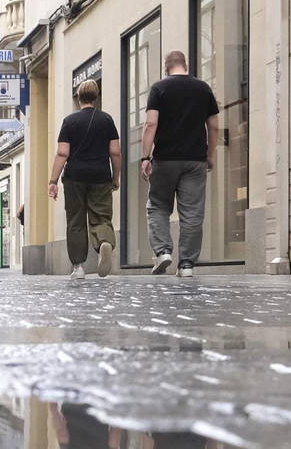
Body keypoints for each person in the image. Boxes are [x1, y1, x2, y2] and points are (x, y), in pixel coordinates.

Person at [139, 50, 220, 277]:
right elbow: (213, 126)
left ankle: (163, 251)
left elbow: (150, 124)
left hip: (165, 159)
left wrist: (146, 157)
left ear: (167, 68)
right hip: (195, 160)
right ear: (186, 65)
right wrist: (210, 154)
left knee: (157, 206)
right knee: (192, 213)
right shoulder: (203, 89)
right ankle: (186, 266)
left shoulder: (159, 88)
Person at [48, 76, 122, 280]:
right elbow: (115, 152)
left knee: (76, 220)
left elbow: (62, 153)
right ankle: (104, 242)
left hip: (75, 177)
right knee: (101, 217)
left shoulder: (69, 121)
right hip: (100, 175)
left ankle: (78, 267)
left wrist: (53, 181)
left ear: (78, 98)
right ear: (96, 97)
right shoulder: (106, 119)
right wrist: (116, 177)